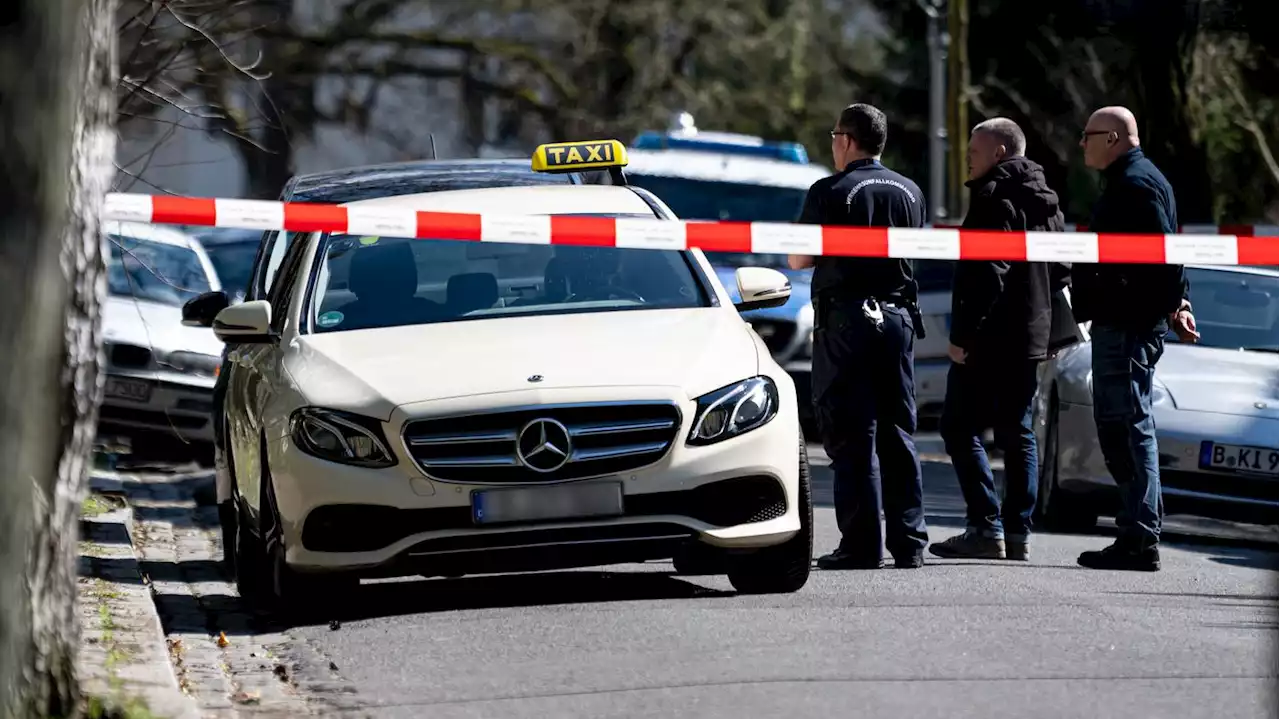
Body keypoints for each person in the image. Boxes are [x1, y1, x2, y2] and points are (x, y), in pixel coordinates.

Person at [787, 103, 930, 570]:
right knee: (897, 432)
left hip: (847, 321)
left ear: (847, 139)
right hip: (897, 321)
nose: (832, 144)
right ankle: (910, 543)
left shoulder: (830, 191)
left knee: (852, 434)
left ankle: (861, 545)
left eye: (833, 135)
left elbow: (799, 260)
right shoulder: (910, 191)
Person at [927, 118, 1069, 563]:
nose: (968, 158)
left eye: (974, 151)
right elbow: (1064, 271)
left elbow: (988, 271)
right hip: (1030, 337)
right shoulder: (1048, 201)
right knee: (1017, 431)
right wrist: (1047, 329)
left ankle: (986, 527)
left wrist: (962, 337)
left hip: (988, 337)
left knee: (957, 426)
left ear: (1000, 153)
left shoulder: (993, 196)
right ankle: (1017, 534)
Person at [1072, 106, 1199, 572]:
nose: (1081, 143)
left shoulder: (1137, 184)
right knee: (1120, 426)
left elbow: (1165, 255)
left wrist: (1175, 303)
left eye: (1087, 135)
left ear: (1112, 138)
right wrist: (1177, 304)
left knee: (1127, 427)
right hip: (1122, 321)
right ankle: (1135, 532)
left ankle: (1140, 538)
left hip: (1128, 325)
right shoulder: (1133, 179)